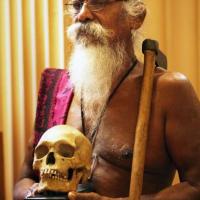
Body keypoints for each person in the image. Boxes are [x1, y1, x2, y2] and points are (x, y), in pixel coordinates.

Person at [14, 0, 200, 199]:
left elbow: (196, 186)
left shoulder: (169, 90)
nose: (83, 14)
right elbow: (23, 180)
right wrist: (31, 195)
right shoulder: (57, 89)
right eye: (77, 5)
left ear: (136, 17)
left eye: (99, 3)